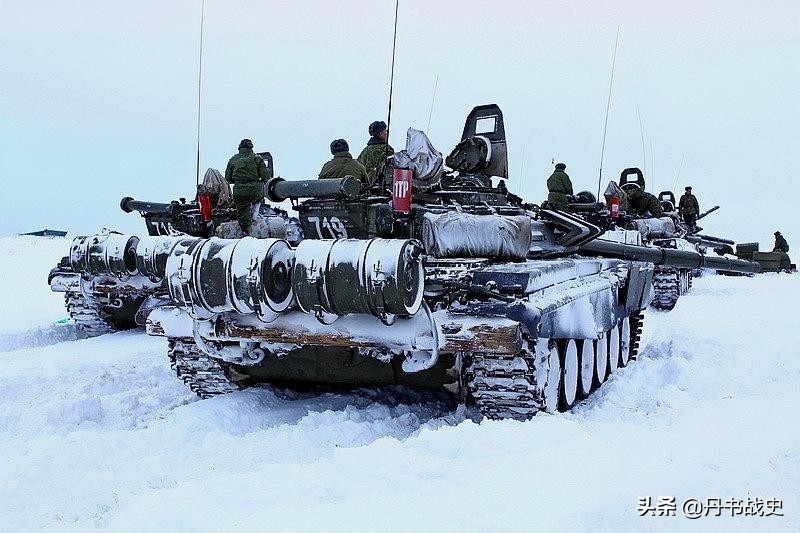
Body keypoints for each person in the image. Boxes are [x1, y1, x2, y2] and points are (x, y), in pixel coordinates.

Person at [225, 139, 271, 235]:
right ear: (251, 147)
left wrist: (239, 180)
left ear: (240, 148)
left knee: (242, 211)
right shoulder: (257, 158)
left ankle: (246, 231)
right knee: (257, 199)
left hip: (240, 190)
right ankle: (254, 217)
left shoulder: (233, 159)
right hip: (255, 190)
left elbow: (228, 178)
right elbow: (266, 176)